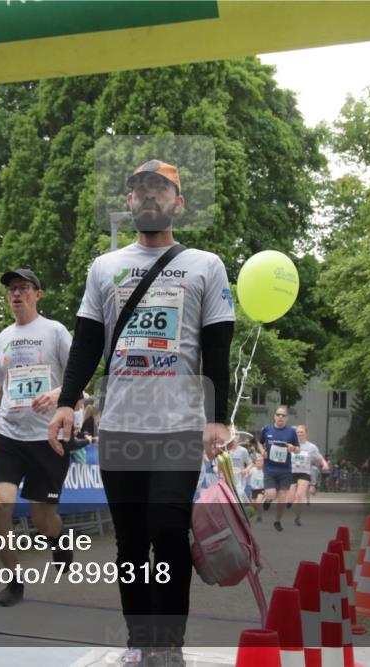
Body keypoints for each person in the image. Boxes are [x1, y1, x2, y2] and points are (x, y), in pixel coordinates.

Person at [48, 159, 235, 665]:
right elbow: (86, 343)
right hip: (120, 428)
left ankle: (169, 643)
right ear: (129, 202)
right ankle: (139, 641)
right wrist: (67, 402)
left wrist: (216, 416)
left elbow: (218, 346)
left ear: (179, 203)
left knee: (168, 531)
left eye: (161, 190)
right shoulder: (104, 267)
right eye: (141, 190)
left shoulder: (205, 265)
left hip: (178, 426)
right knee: (130, 544)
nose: (150, 197)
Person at [0, 268, 74, 608]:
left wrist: (57, 394)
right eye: (12, 289)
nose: (16, 294)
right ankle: (13, 582)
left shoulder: (55, 332)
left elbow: (76, 379)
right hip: (9, 434)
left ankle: (59, 536)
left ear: (37, 294)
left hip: (49, 437)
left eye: (24, 288)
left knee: (42, 520)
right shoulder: (3, 338)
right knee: (0, 506)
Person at [259, 406, 298, 532]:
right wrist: (262, 451)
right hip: (270, 469)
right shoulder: (267, 429)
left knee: (282, 498)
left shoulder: (291, 432)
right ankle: (268, 499)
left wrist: (293, 448)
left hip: (285, 470)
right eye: (278, 414)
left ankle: (277, 521)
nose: (280, 417)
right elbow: (259, 442)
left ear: (287, 418)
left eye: (283, 415)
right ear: (274, 416)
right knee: (271, 493)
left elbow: (298, 449)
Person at [287, 425, 329, 525]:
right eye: (297, 432)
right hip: (292, 472)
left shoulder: (311, 447)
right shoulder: (290, 445)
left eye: (301, 432)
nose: (299, 434)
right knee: (292, 496)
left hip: (304, 473)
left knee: (300, 495)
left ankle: (297, 517)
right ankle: (289, 501)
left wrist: (325, 464)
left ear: (306, 434)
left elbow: (319, 458)